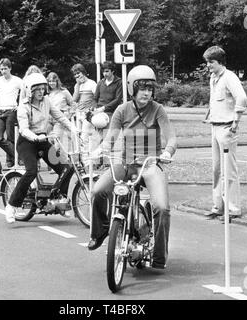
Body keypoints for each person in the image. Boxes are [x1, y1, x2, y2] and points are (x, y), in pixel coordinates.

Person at [87, 65, 177, 270]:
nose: (147, 93)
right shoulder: (122, 110)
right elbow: (111, 137)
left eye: (150, 88)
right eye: (143, 88)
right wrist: (101, 149)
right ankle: (100, 232)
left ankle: (159, 256)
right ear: (132, 88)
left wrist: (167, 152)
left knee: (162, 208)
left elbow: (171, 137)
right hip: (127, 165)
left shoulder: (158, 110)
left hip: (151, 166)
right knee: (98, 191)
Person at [4, 73, 78, 223]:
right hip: (27, 142)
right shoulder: (23, 107)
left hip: (43, 140)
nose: (40, 92)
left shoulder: (47, 101)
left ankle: (59, 201)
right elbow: (23, 129)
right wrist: (35, 137)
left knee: (66, 167)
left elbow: (60, 116)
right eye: (36, 89)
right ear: (29, 91)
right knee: (32, 171)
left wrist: (74, 129)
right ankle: (11, 206)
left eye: (42, 89)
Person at [202, 46, 247, 220]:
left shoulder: (229, 77)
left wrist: (236, 120)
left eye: (211, 62)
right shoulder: (214, 78)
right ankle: (218, 206)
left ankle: (233, 209)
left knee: (228, 170)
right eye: (207, 62)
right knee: (216, 169)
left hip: (227, 127)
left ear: (220, 61)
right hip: (215, 126)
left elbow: (241, 97)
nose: (208, 66)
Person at [0, 58, 23, 167]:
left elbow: (26, 92)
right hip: (0, 112)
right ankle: (18, 156)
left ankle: (10, 161)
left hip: (11, 111)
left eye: (5, 69)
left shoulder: (17, 80)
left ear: (10, 68)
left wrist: (20, 105)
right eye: (1, 69)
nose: (3, 71)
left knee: (11, 137)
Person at [71, 63, 97, 155]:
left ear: (83, 72)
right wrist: (77, 85)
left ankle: (87, 159)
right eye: (75, 75)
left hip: (88, 113)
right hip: (79, 114)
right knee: (79, 137)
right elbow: (74, 99)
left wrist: (92, 110)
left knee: (85, 136)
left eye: (78, 73)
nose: (77, 76)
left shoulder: (92, 83)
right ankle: (83, 158)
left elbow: (97, 98)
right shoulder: (77, 85)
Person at [93, 60, 123, 141]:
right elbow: (95, 98)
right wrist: (95, 109)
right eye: (103, 72)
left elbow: (117, 99)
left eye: (107, 71)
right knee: (99, 137)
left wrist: (104, 108)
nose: (104, 74)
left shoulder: (119, 82)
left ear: (112, 71)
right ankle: (100, 152)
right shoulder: (100, 83)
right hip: (99, 113)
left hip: (111, 112)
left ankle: (106, 152)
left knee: (108, 137)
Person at [47, 72, 75, 152]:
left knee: (57, 140)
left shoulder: (64, 92)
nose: (51, 83)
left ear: (57, 81)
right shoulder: (48, 93)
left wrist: (68, 116)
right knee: (50, 140)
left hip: (59, 120)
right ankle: (52, 162)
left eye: (53, 81)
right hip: (49, 120)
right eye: (50, 81)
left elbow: (73, 104)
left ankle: (59, 160)